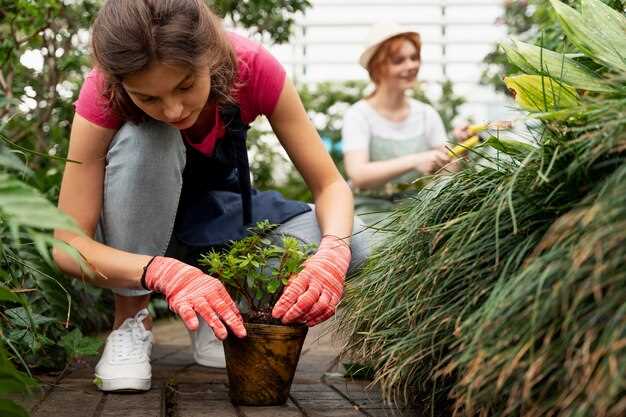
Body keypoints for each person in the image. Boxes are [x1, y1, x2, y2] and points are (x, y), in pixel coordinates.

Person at [53, 0, 369, 392]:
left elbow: (330, 186)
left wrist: (332, 252)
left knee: (356, 239)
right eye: (147, 98)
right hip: (136, 238)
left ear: (212, 56)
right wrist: (161, 272)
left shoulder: (251, 66)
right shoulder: (102, 91)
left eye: (185, 85)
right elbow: (68, 244)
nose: (172, 109)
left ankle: (218, 306)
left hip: (213, 223)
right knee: (148, 136)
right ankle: (131, 319)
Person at [342, 22, 461, 228]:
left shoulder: (426, 114)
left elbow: (447, 173)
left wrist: (460, 148)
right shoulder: (359, 115)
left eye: (414, 58)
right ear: (378, 68)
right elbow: (358, 174)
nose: (411, 66)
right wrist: (415, 160)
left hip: (420, 211)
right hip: (371, 214)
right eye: (399, 61)